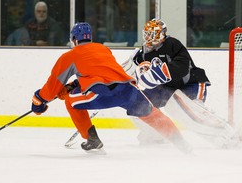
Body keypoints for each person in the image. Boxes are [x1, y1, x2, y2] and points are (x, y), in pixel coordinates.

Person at [30, 22, 191, 153]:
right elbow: (103, 70)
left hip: (101, 93)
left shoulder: (69, 56)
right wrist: (75, 84)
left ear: (74, 40)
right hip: (128, 89)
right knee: (151, 114)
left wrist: (39, 100)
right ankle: (182, 144)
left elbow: (53, 86)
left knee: (70, 101)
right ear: (90, 38)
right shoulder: (102, 49)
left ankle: (92, 139)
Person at [122, 18, 239, 148]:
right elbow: (130, 68)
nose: (149, 37)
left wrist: (159, 74)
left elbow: (182, 67)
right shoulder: (143, 52)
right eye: (147, 34)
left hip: (190, 84)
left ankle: (227, 135)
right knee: (138, 104)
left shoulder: (172, 44)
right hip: (166, 89)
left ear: (162, 33)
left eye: (152, 33)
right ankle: (155, 136)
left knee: (184, 110)